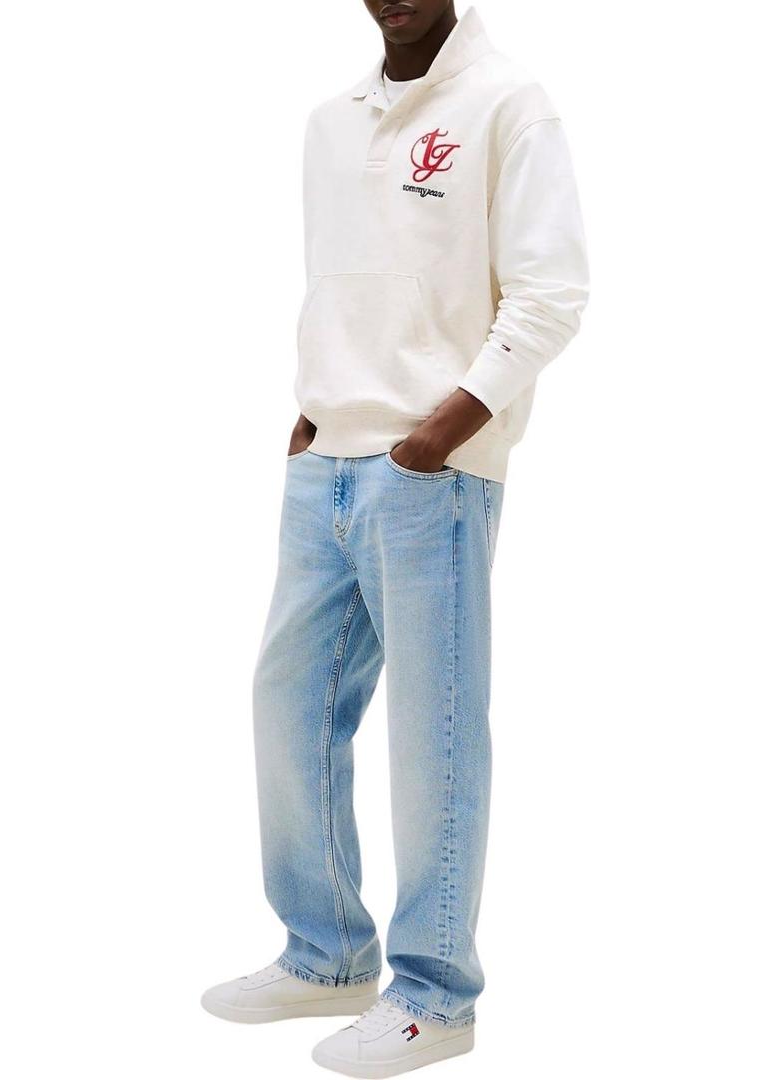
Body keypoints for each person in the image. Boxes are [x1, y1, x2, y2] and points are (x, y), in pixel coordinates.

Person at [202, 2, 588, 1075]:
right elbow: (340, 285)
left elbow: (553, 293)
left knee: (436, 733)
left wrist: (443, 429)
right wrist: (311, 406)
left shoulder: (508, 101)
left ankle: (435, 995)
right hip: (324, 456)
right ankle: (326, 955)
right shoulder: (331, 120)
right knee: (289, 706)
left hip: (432, 472)